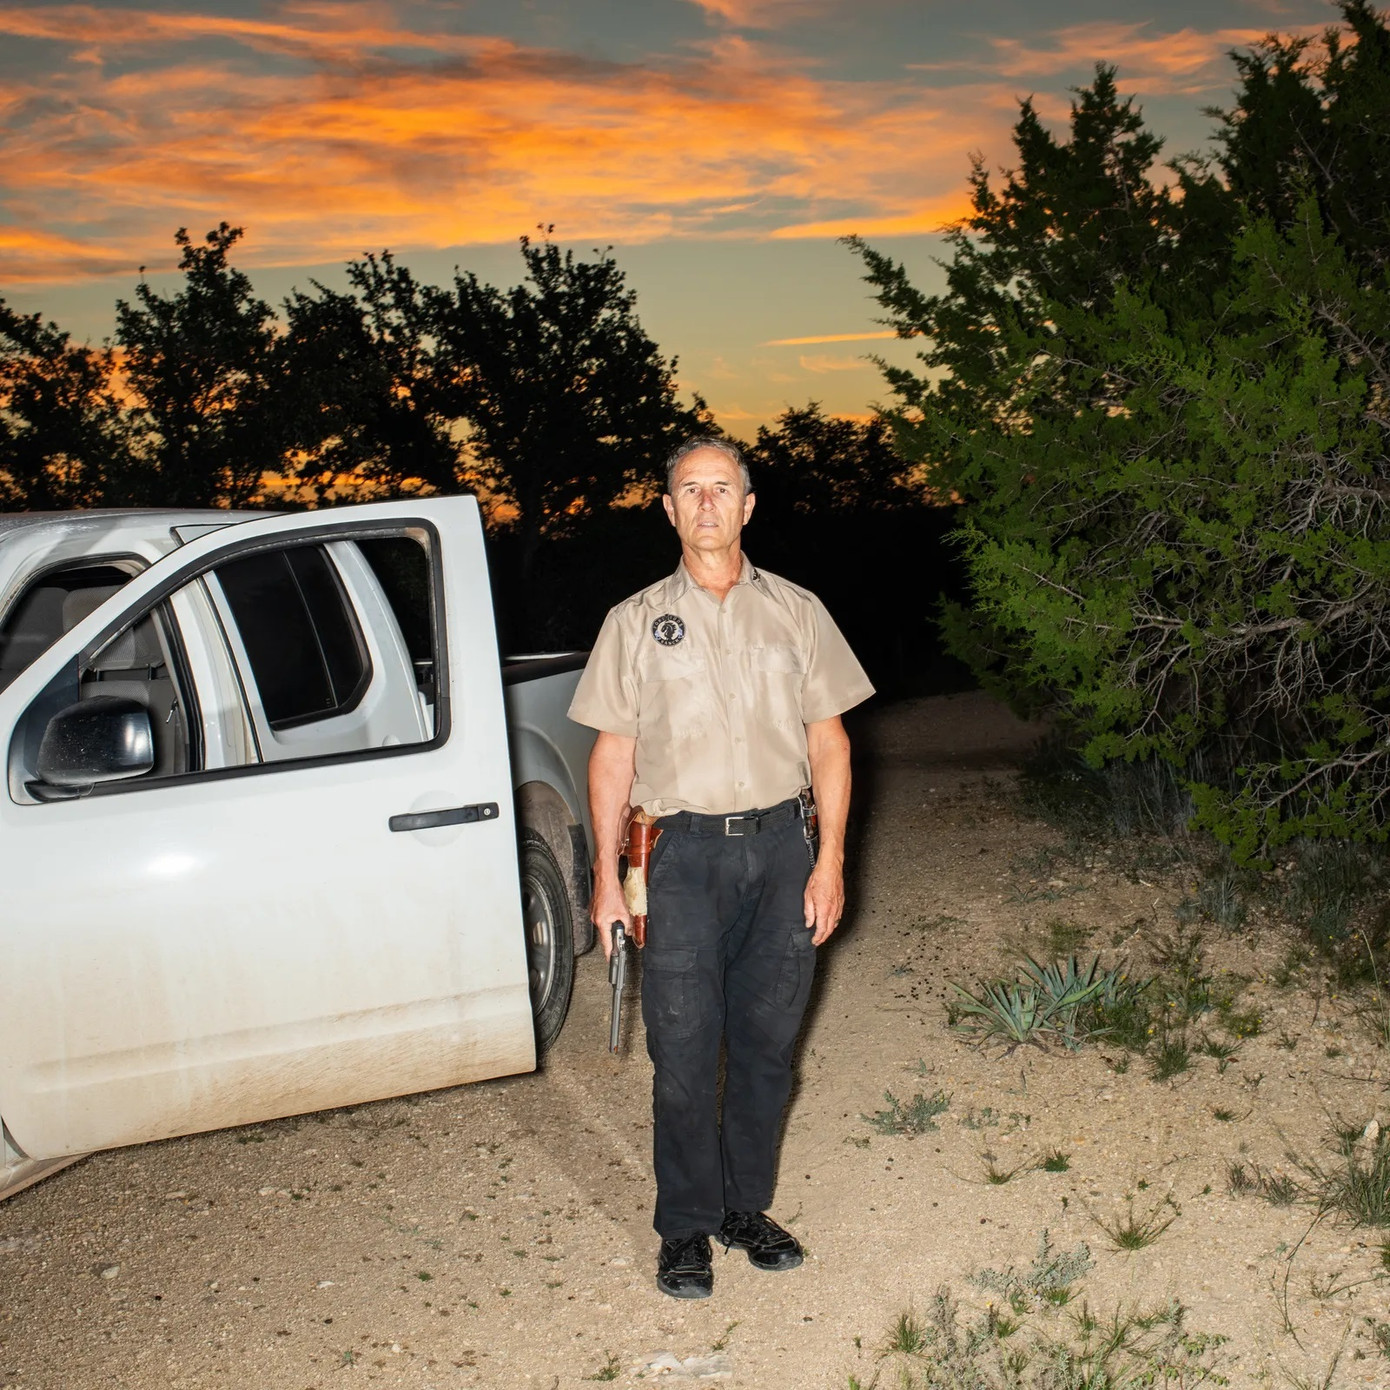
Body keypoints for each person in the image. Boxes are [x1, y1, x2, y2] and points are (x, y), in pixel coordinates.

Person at [567, 436, 874, 1299]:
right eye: (689, 490)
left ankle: (745, 1209)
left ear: (748, 506)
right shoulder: (633, 622)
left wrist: (832, 862)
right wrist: (602, 880)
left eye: (722, 488)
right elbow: (610, 759)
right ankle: (687, 1228)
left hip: (784, 848)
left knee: (770, 1047)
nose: (706, 503)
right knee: (685, 1051)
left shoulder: (798, 612)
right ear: (668, 511)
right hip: (680, 856)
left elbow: (831, 743)